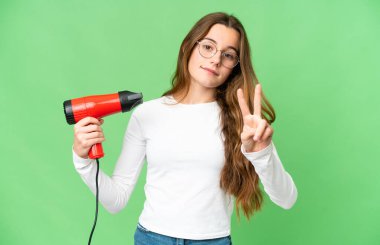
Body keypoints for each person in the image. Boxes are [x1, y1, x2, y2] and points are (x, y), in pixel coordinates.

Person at [72, 12, 298, 245]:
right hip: (151, 239)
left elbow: (287, 199)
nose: (215, 59)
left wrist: (261, 152)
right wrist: (83, 161)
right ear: (188, 47)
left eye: (228, 55)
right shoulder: (147, 115)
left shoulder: (245, 122)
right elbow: (115, 200)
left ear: (235, 67)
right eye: (208, 47)